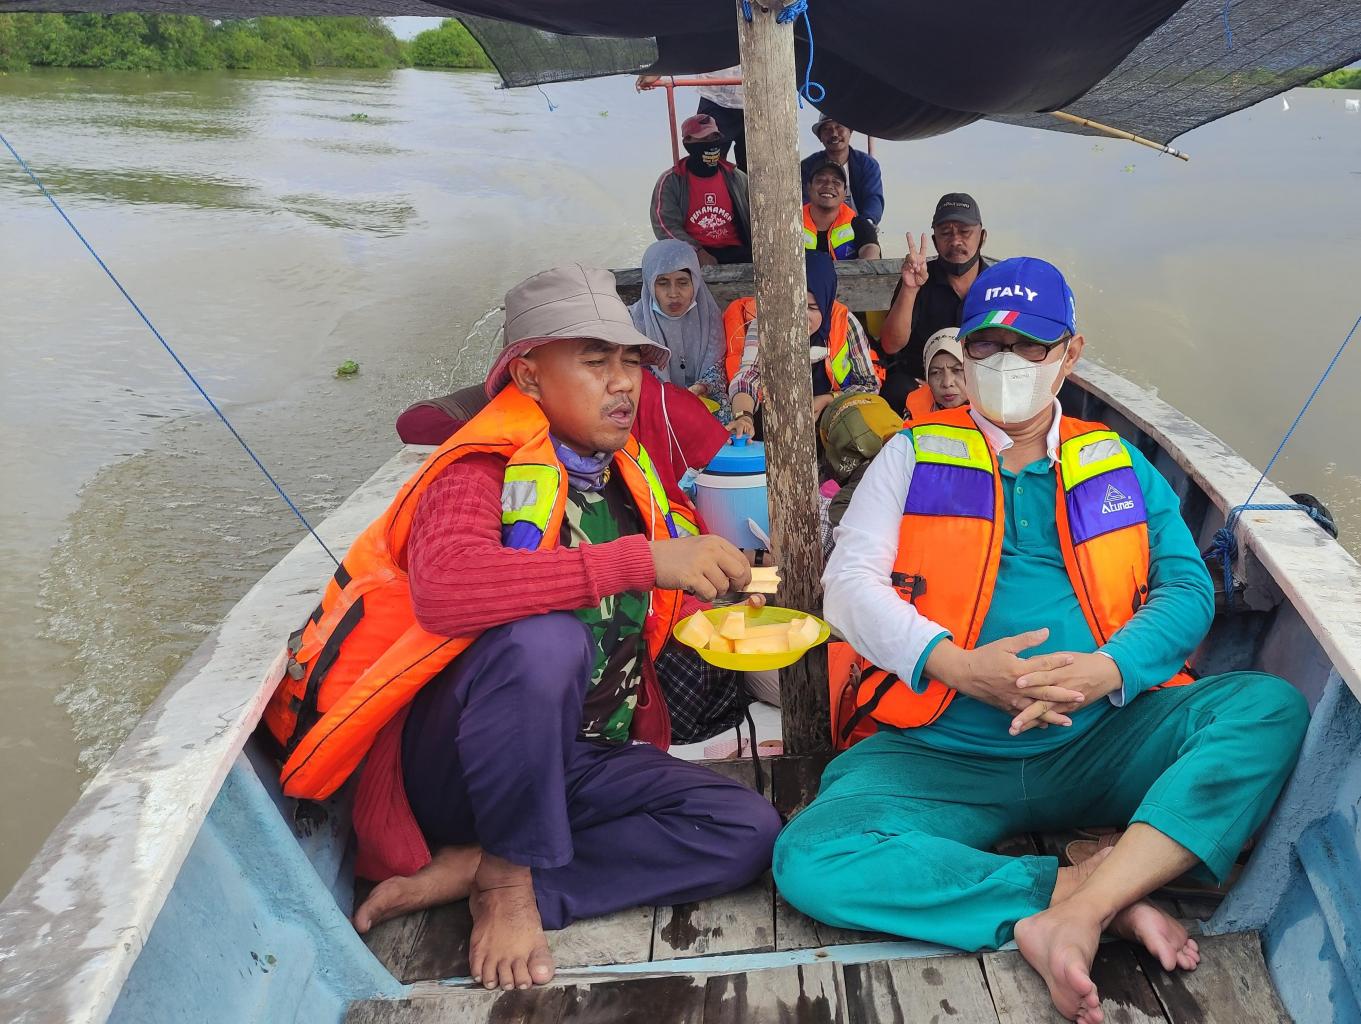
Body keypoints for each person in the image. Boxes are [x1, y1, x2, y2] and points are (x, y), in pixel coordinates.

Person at [773, 257, 1308, 1023]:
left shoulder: (1116, 461)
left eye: (1030, 346)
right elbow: (849, 585)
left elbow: (1187, 590)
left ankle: (1085, 905)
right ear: (964, 354)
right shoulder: (911, 453)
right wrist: (956, 665)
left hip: (1101, 738)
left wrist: (1107, 670)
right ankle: (1085, 892)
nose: (1008, 362)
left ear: (1069, 353)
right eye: (988, 345)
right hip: (945, 751)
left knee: (1266, 709)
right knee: (812, 855)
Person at [266, 265, 781, 993]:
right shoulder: (476, 468)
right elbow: (446, 590)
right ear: (529, 375)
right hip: (459, 763)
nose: (623, 383)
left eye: (631, 361)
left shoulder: (618, 472)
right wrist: (640, 562)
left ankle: (492, 873)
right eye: (596, 361)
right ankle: (506, 884)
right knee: (546, 641)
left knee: (746, 830)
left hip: (576, 754)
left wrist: (727, 591)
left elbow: (642, 602)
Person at [728, 252, 880, 438]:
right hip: (776, 418)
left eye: (812, 308)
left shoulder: (845, 324)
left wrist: (829, 399)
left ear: (826, 303)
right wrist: (743, 417)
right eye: (793, 305)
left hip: (831, 421)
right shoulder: (764, 323)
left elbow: (870, 385)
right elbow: (748, 376)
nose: (800, 317)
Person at [878, 193, 995, 415]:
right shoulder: (919, 279)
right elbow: (890, 345)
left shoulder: (998, 286)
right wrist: (910, 288)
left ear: (982, 237)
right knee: (896, 389)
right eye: (945, 233)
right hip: (920, 384)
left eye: (965, 232)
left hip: (982, 385)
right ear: (934, 241)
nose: (955, 241)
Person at [630, 240, 729, 419]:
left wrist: (702, 387)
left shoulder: (709, 317)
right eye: (662, 283)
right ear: (650, 284)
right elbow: (633, 376)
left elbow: (716, 369)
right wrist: (671, 399)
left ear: (695, 283)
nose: (673, 293)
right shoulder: (633, 324)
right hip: (654, 407)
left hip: (703, 401)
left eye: (683, 282)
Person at [649, 114, 751, 266]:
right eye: (703, 139)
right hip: (692, 254)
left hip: (737, 251)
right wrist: (696, 251)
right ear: (688, 142)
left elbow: (758, 214)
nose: (710, 143)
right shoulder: (671, 181)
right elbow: (664, 226)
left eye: (714, 137)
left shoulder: (736, 177)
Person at [639, 66, 747, 172]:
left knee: (753, 168)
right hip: (716, 98)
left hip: (754, 97)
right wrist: (659, 69)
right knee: (706, 165)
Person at [800, 116, 884, 225]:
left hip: (857, 227)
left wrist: (867, 224)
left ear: (850, 131)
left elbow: (873, 198)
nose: (834, 134)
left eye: (839, 127)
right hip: (818, 228)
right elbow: (803, 200)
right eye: (827, 129)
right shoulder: (808, 166)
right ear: (820, 137)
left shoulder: (867, 164)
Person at [803, 162, 881, 262]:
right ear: (809, 188)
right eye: (821, 180)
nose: (829, 185)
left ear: (844, 193)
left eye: (836, 182)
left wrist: (867, 259)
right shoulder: (792, 224)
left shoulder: (859, 225)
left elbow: (871, 251)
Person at [901, 327, 967, 419]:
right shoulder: (915, 408)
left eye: (957, 370)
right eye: (936, 372)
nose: (947, 383)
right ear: (926, 377)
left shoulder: (987, 411)